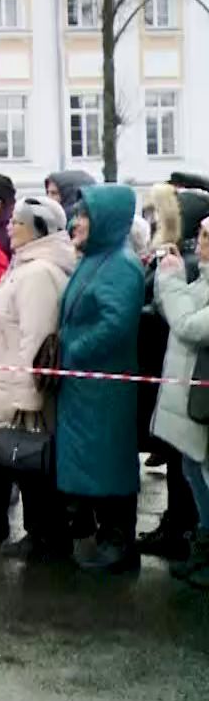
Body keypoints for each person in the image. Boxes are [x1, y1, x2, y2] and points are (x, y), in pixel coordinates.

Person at [0, 197, 77, 561]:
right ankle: (41, 533)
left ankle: (46, 536)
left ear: (38, 229)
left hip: (22, 389)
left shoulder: (38, 273)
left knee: (32, 464)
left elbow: (36, 339)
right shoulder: (25, 267)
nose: (9, 227)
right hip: (7, 381)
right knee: (24, 464)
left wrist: (27, 398)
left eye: (17, 222)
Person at [55, 186, 145, 574]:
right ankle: (104, 538)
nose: (77, 222)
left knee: (109, 463)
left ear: (106, 220)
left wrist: (72, 349)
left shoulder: (120, 265)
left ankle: (119, 543)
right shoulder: (97, 259)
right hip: (85, 385)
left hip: (102, 385)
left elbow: (116, 324)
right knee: (89, 462)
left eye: (85, 216)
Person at [138, 183, 209, 560]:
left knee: (193, 470)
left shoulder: (187, 268)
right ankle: (185, 529)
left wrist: (164, 281)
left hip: (188, 384)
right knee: (185, 467)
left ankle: (188, 533)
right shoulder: (186, 265)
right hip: (171, 379)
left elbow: (181, 320)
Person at [152, 218, 209, 588]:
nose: (201, 242)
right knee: (195, 473)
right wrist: (173, 276)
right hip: (193, 403)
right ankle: (204, 549)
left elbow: (188, 324)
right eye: (202, 234)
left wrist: (172, 281)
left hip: (202, 404)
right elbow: (174, 311)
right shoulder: (203, 278)